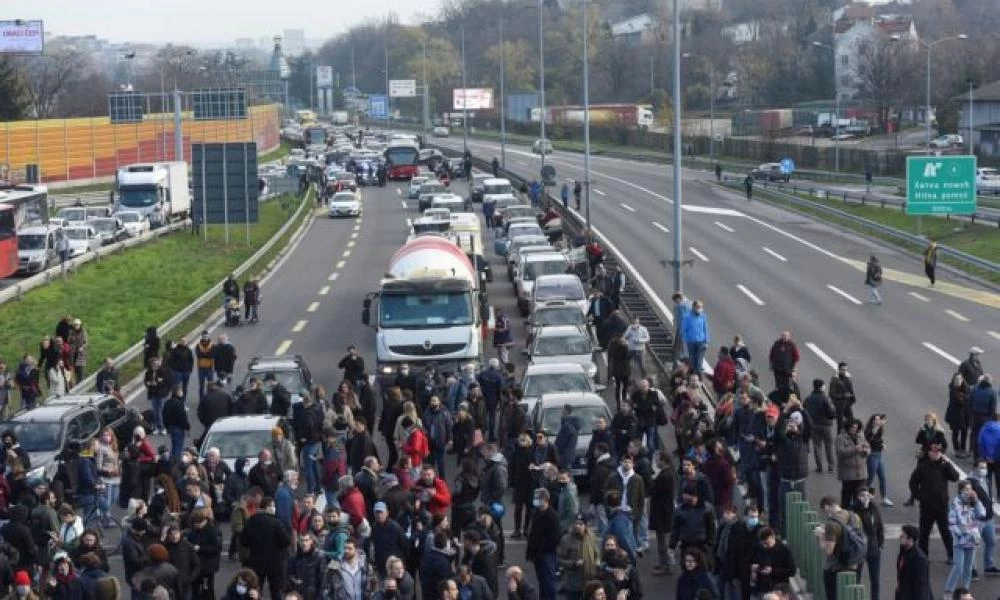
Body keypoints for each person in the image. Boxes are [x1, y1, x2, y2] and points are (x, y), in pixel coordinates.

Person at [908, 443, 958, 561]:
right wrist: (920, 496)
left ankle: (951, 554)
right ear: (929, 453)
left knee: (945, 531)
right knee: (924, 532)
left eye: (939, 452)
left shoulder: (944, 466)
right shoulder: (923, 466)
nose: (936, 454)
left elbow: (955, 477)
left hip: (942, 505)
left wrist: (948, 463)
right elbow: (913, 483)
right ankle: (923, 555)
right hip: (927, 505)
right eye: (934, 452)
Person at [240, 496, 292, 600]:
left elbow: (243, 541)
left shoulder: (251, 521)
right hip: (274, 562)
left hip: (256, 561)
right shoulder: (276, 523)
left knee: (255, 589)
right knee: (275, 591)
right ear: (267, 507)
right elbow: (286, 540)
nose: (274, 508)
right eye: (272, 506)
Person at [944, 480, 985, 597]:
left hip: (972, 541)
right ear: (961, 490)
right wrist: (962, 532)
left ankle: (965, 593)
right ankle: (948, 592)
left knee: (968, 570)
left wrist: (977, 501)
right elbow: (951, 523)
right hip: (960, 541)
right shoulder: (955, 503)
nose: (969, 491)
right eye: (967, 489)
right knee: (958, 567)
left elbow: (982, 514)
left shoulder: (973, 502)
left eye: (970, 489)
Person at [851, 486, 885, 600]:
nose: (865, 498)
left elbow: (880, 527)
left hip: (874, 548)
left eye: (866, 495)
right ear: (857, 497)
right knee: (856, 576)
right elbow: (858, 525)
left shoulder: (875, 508)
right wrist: (863, 507)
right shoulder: (854, 510)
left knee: (875, 579)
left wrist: (881, 544)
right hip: (860, 549)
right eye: (862, 496)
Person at [526, 488, 560, 600]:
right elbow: (533, 534)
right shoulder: (537, 513)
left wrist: (541, 550)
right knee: (542, 582)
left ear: (546, 499)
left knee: (549, 582)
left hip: (547, 554)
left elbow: (555, 538)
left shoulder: (552, 516)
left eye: (538, 498)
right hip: (537, 555)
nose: (535, 500)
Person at [967, 460, 998, 577]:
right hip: (976, 519)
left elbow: (988, 495)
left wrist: (991, 500)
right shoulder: (969, 482)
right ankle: (971, 569)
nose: (984, 470)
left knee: (991, 542)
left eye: (985, 468)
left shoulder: (986, 479)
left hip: (988, 517)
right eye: (981, 468)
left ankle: (989, 566)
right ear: (975, 468)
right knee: (973, 545)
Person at [836, 418, 870, 508]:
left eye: (856, 428)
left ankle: (857, 515)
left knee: (859, 497)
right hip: (848, 473)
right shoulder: (841, 438)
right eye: (852, 428)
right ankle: (845, 514)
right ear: (848, 428)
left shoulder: (861, 436)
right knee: (846, 496)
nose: (854, 430)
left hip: (861, 472)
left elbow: (868, 448)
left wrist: (866, 450)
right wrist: (854, 449)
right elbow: (840, 452)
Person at [895, 524, 933, 600]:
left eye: (903, 536)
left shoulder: (919, 559)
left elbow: (921, 585)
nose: (900, 538)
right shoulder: (903, 551)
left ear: (910, 539)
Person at [864, 414, 894, 506]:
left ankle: (884, 498)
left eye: (878, 419)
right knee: (871, 478)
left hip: (879, 455)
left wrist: (882, 444)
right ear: (872, 421)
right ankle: (863, 496)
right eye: (876, 419)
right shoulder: (868, 430)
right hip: (872, 456)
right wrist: (881, 444)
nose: (878, 421)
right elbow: (872, 441)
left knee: (882, 477)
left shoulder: (880, 429)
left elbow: (880, 439)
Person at [946, 373, 972, 459]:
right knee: (955, 432)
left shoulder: (966, 388)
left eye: (960, 379)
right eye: (957, 380)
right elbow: (959, 402)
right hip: (955, 416)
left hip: (965, 415)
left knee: (964, 432)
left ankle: (963, 448)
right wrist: (964, 397)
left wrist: (963, 397)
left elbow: (968, 398)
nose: (958, 381)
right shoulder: (953, 390)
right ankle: (957, 449)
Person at [681, 300, 709, 375]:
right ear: (693, 307)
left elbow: (705, 329)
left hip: (701, 341)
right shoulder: (686, 317)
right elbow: (683, 330)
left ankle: (698, 376)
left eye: (701, 307)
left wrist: (706, 341)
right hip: (691, 342)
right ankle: (692, 374)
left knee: (699, 360)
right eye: (698, 307)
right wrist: (686, 340)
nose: (700, 309)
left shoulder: (703, 316)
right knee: (692, 360)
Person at [768, 331, 800, 397]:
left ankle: (786, 397)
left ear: (789, 337)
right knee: (778, 384)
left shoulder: (792, 345)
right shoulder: (776, 344)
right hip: (777, 369)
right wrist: (771, 365)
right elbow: (771, 355)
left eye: (786, 336)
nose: (784, 337)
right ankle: (779, 396)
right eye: (783, 335)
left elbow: (796, 358)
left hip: (787, 369)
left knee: (787, 384)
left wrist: (794, 369)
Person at [829, 361, 857, 434]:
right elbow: (832, 394)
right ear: (838, 369)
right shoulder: (834, 380)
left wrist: (852, 399)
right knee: (840, 425)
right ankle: (839, 440)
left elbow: (851, 391)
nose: (844, 371)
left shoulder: (847, 379)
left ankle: (850, 437)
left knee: (851, 422)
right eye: (842, 369)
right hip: (839, 406)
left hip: (847, 404)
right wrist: (843, 396)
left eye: (845, 370)